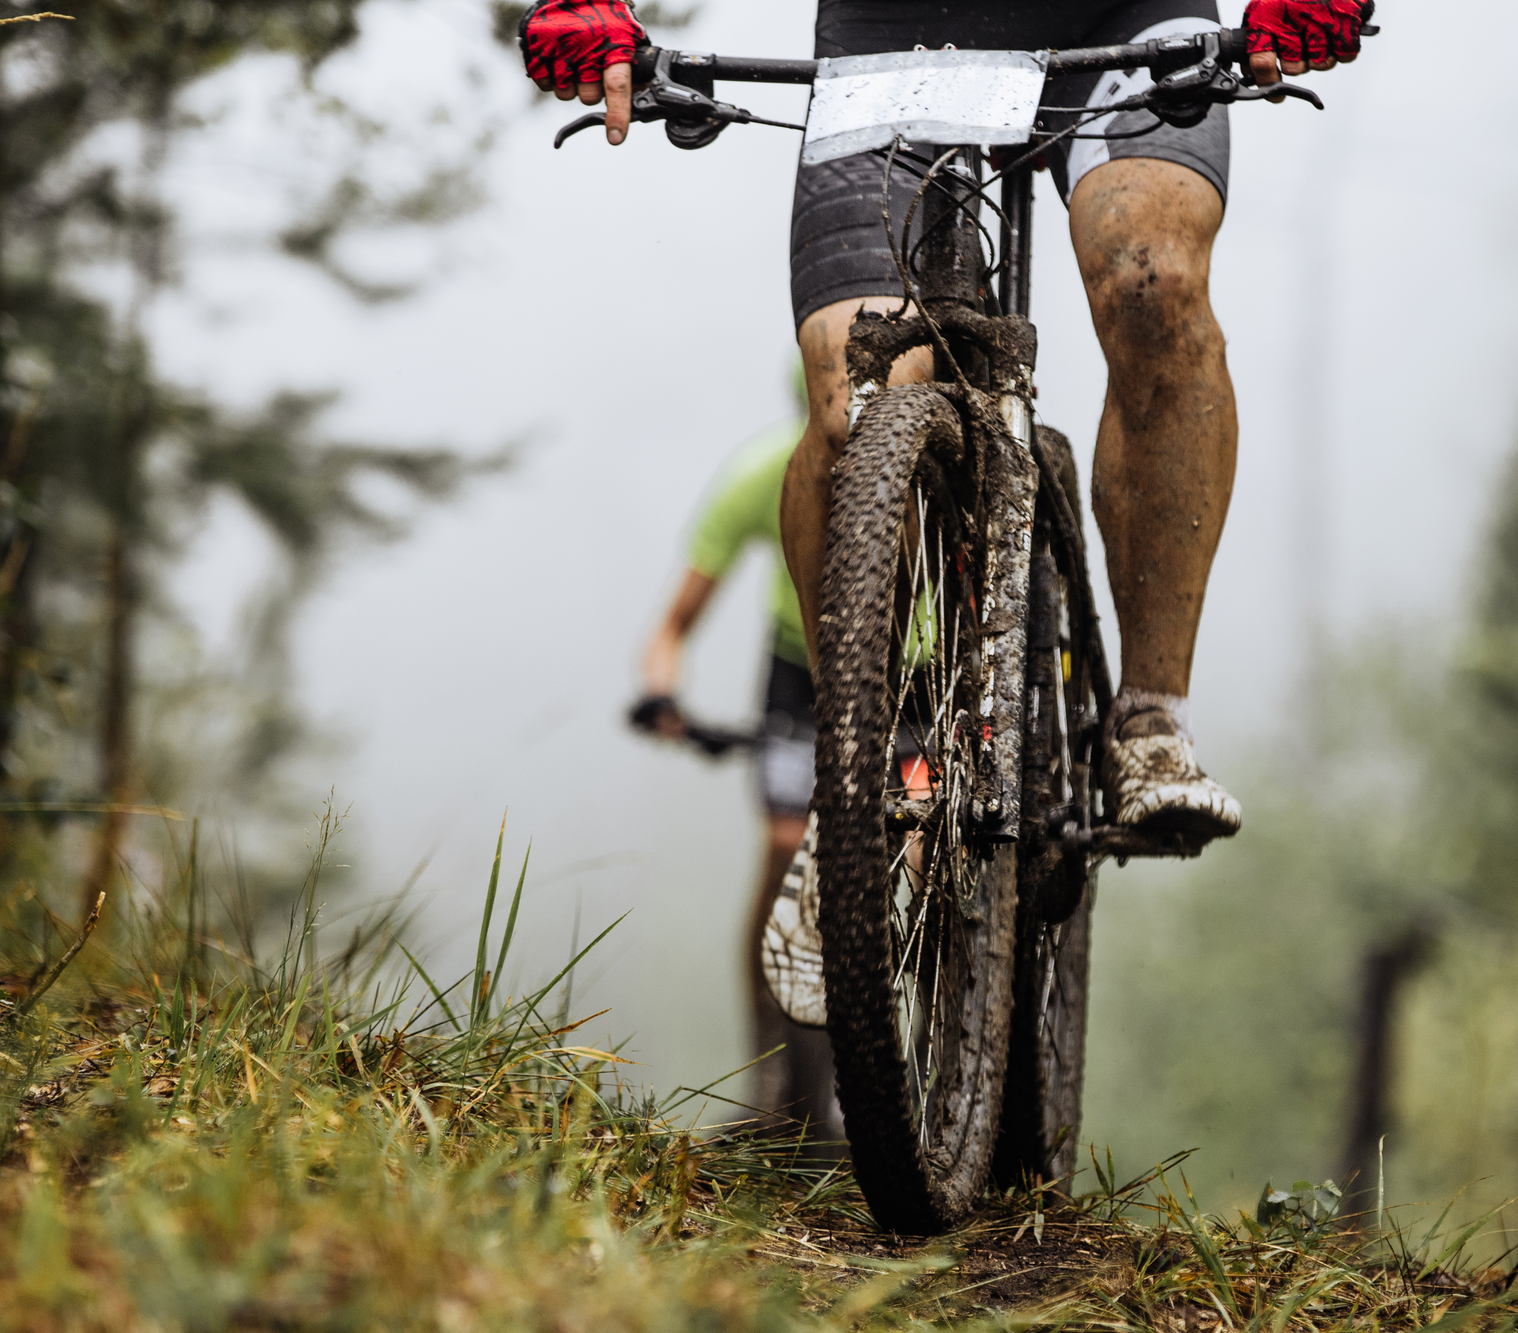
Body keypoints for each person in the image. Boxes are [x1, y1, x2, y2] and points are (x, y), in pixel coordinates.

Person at [524, 0, 1369, 1025]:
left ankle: (1150, 716)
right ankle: (856, 776)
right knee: (853, 393)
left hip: (1125, 13)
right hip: (891, 29)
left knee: (1153, 283)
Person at [629, 388, 839, 1135]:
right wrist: (661, 694)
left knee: (912, 854)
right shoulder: (766, 471)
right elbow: (673, 624)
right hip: (800, 676)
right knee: (786, 852)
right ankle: (775, 1079)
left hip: (914, 676)